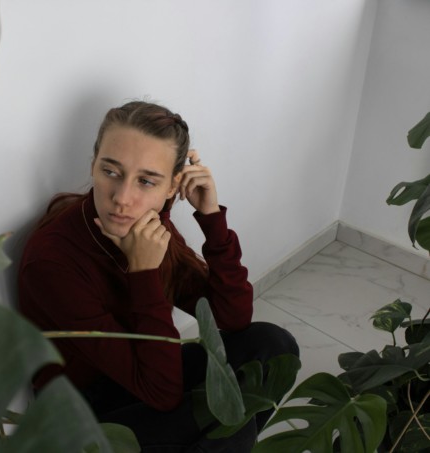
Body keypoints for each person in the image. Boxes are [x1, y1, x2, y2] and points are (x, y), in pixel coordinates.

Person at [18, 101, 299, 452]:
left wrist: (212, 218)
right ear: (93, 165)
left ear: (172, 187)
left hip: (143, 367)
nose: (122, 198)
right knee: (230, 427)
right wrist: (143, 271)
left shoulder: (149, 226)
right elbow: (162, 393)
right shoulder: (53, 261)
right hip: (80, 412)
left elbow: (233, 317)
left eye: (146, 180)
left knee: (274, 347)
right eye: (111, 171)